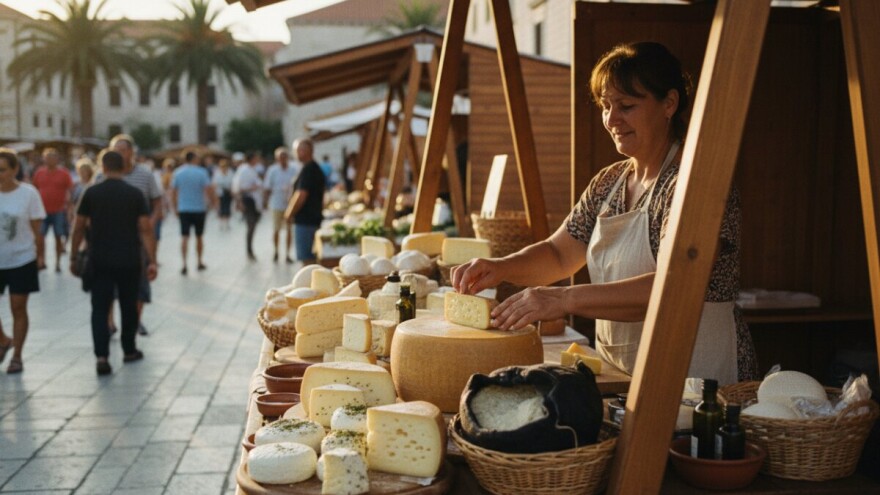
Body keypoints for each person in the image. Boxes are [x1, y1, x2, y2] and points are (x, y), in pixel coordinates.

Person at [452, 42, 757, 385]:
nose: (612, 120)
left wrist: (563, 298)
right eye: (605, 106)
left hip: (699, 381)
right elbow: (558, 253)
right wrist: (501, 268)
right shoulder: (609, 182)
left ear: (669, 103)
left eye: (626, 106)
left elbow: (674, 285)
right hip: (625, 374)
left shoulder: (696, 183)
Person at [71, 150, 157, 376]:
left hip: (99, 259)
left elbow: (78, 226)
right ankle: (129, 350)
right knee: (128, 305)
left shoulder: (91, 192)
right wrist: (152, 260)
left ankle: (102, 356)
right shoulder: (135, 194)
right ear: (123, 166)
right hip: (129, 259)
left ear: (102, 167)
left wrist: (72, 256)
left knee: (99, 308)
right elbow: (146, 229)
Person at [106, 134, 163, 336]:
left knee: (140, 283)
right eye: (115, 149)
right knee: (108, 284)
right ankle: (110, 322)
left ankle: (135, 321)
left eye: (123, 149)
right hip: (111, 239)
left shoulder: (145, 175)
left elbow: (157, 202)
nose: (119, 153)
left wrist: (151, 222)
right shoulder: (103, 174)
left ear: (131, 152)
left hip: (139, 239)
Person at [0, 149, 46, 374]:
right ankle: (3, 339)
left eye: (2, 170)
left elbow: (38, 229)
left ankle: (17, 355)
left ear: (15, 170)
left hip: (21, 258)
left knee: (18, 306)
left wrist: (40, 255)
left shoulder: (28, 194)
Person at [171, 150, 215, 274]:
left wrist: (174, 207)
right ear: (194, 159)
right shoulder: (202, 172)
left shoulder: (178, 172)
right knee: (199, 236)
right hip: (199, 208)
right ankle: (199, 261)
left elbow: (173, 191)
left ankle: (184, 264)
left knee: (184, 237)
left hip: (183, 208)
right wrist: (213, 204)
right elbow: (208, 189)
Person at [32, 147, 73, 272]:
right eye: (47, 157)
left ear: (57, 159)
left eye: (52, 157)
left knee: (58, 237)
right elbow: (34, 190)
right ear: (44, 159)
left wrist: (69, 208)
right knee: (40, 237)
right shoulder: (39, 173)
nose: (50, 160)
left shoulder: (64, 173)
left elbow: (70, 191)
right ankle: (41, 260)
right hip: (42, 211)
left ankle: (58, 262)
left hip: (59, 210)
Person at [284, 138, 325, 265]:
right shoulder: (311, 168)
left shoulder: (309, 169)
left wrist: (289, 213)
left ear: (305, 151)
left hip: (306, 220)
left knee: (307, 260)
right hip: (310, 219)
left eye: (297, 150)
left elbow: (301, 194)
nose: (296, 153)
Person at [263, 147, 299, 263]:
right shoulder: (272, 171)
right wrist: (265, 202)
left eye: (284, 157)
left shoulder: (293, 170)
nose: (283, 159)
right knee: (276, 229)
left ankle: (288, 253)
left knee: (289, 230)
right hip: (277, 203)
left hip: (289, 204)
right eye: (280, 157)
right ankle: (276, 251)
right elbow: (267, 187)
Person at [232, 151, 263, 261]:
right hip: (248, 200)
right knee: (251, 225)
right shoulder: (244, 170)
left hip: (252, 200)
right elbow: (239, 188)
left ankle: (250, 249)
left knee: (252, 226)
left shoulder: (251, 170)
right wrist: (240, 201)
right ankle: (249, 250)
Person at [213, 158, 234, 231]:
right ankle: (221, 223)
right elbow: (215, 184)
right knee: (221, 208)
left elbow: (232, 182)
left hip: (228, 192)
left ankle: (227, 223)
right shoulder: (217, 173)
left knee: (227, 207)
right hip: (220, 193)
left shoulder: (230, 172)